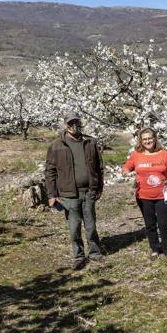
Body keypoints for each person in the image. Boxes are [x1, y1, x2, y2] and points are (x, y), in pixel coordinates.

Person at [45, 113, 104, 270]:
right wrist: (52, 195)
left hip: (89, 191)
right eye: (71, 123)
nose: (75, 125)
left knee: (91, 225)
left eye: (77, 122)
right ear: (66, 125)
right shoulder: (57, 145)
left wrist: (99, 188)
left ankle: (95, 253)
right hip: (69, 194)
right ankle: (78, 256)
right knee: (74, 227)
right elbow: (50, 172)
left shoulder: (91, 142)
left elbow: (99, 167)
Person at [122, 128, 167, 258]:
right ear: (141, 141)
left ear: (155, 139)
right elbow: (127, 166)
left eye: (150, 138)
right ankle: (154, 248)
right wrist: (125, 171)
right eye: (144, 139)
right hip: (144, 195)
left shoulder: (164, 154)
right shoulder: (136, 154)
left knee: (163, 223)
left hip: (163, 194)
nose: (148, 141)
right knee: (150, 224)